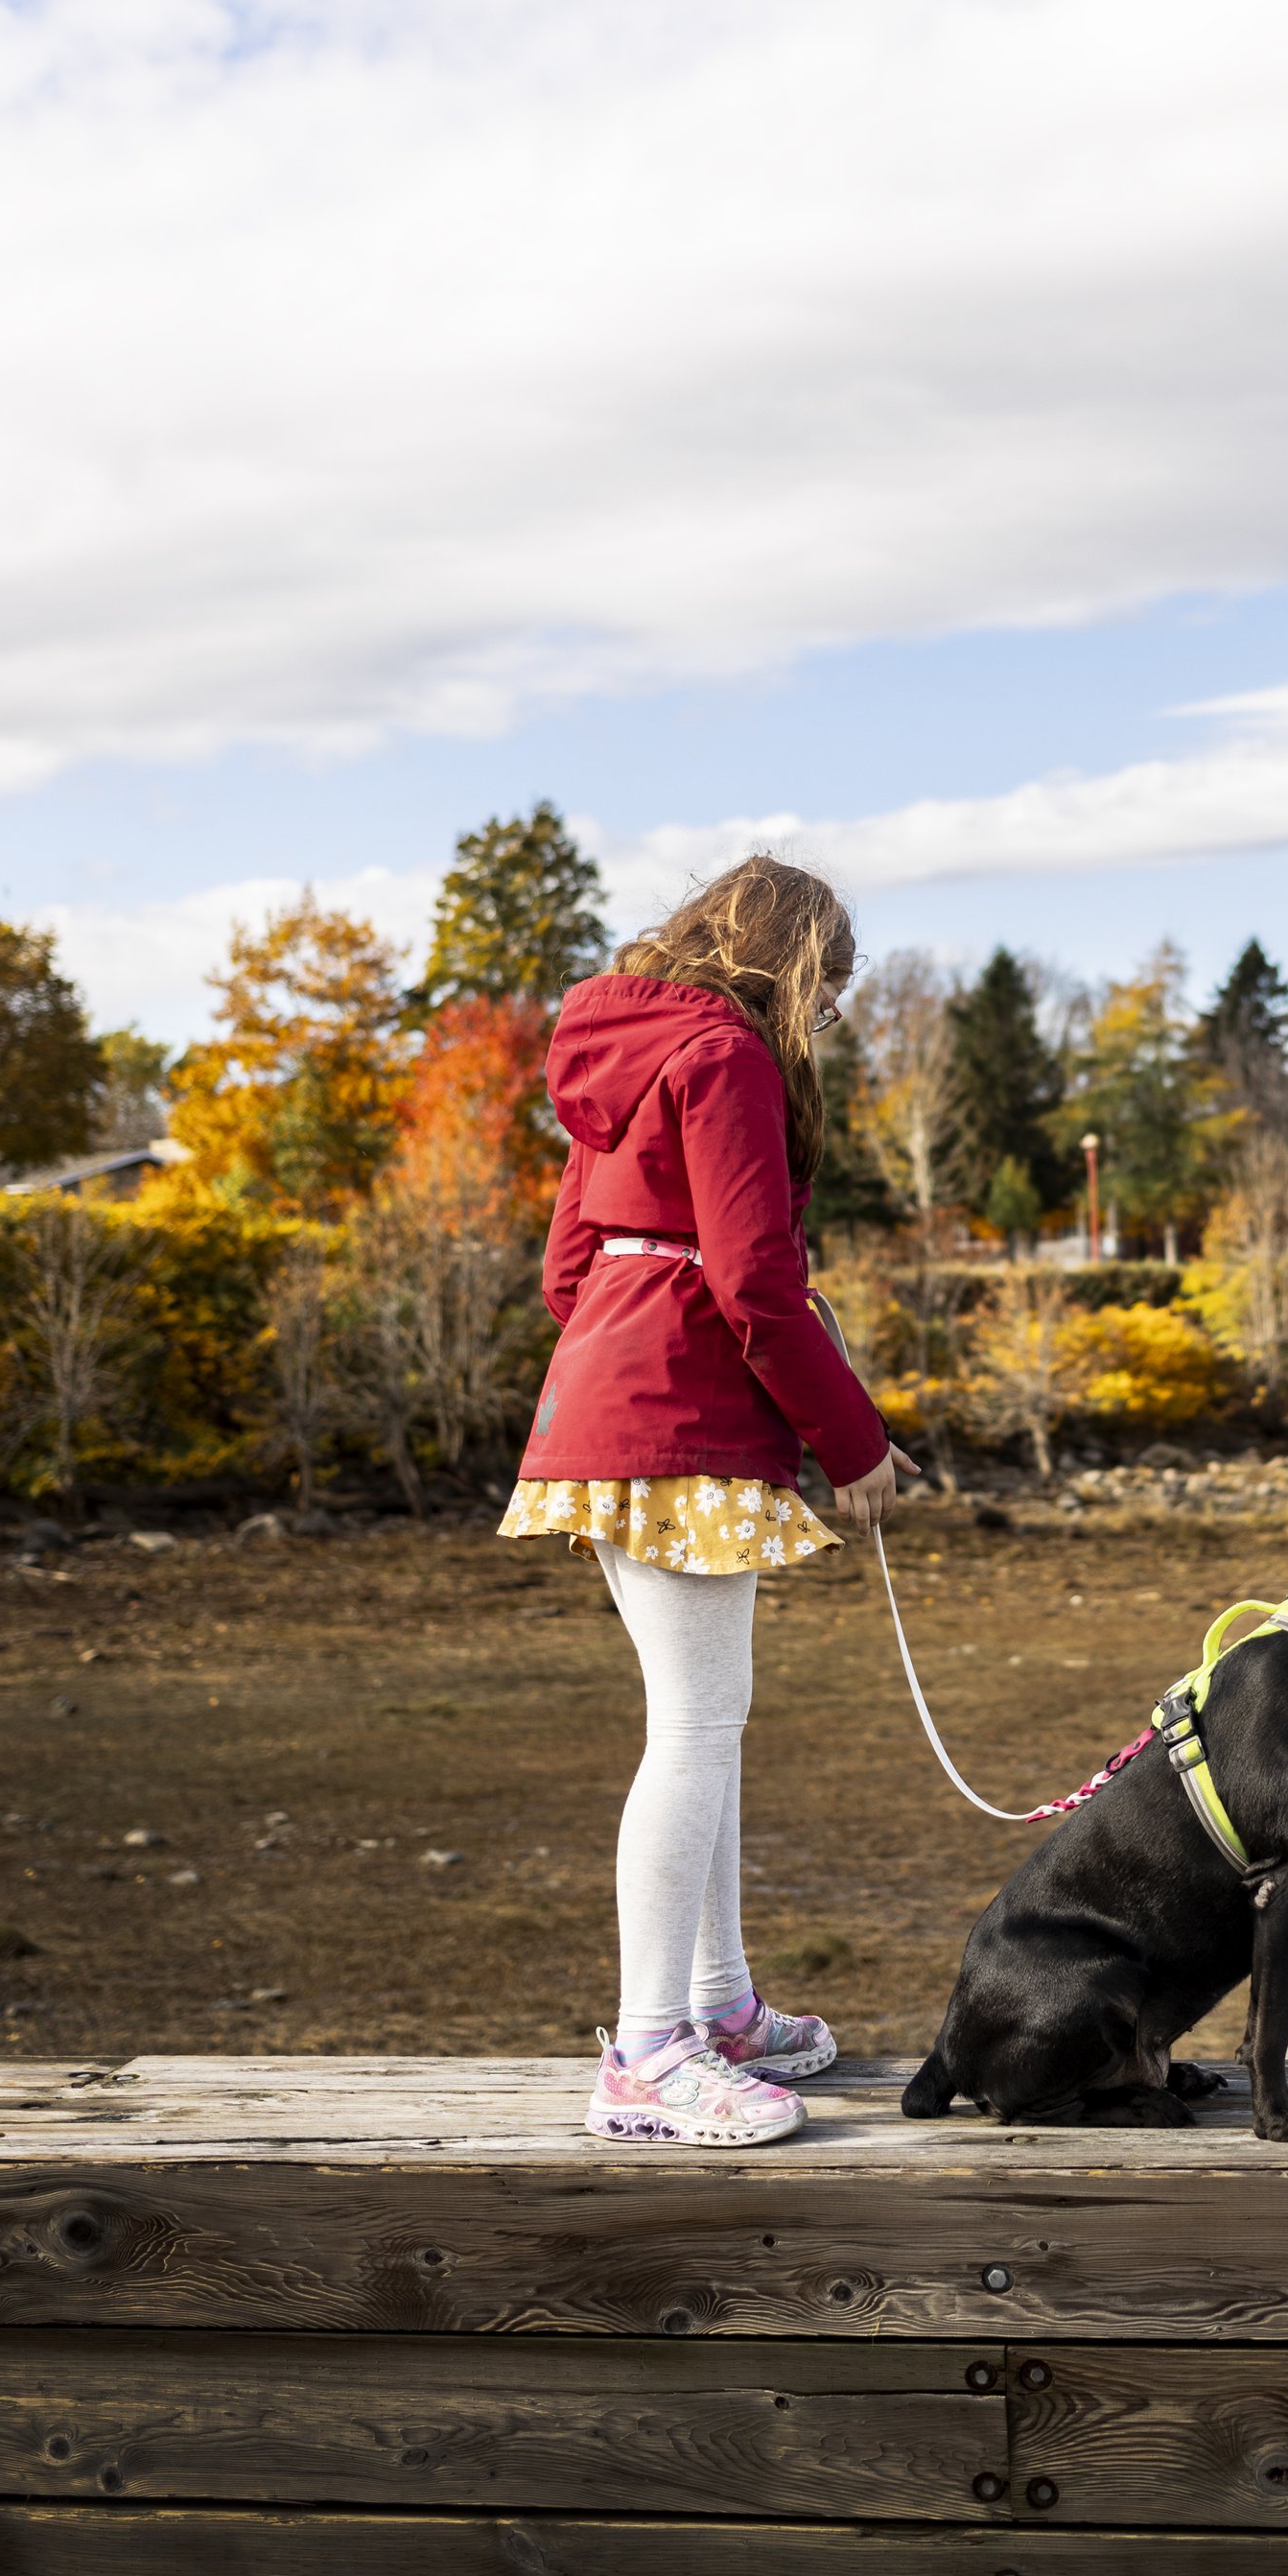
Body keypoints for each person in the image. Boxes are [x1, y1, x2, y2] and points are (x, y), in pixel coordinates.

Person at [500, 854, 922, 2145]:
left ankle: (719, 2004)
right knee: (693, 1729)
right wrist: (853, 1446)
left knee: (706, 1722)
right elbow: (753, 1285)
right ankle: (646, 2054)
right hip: (675, 1414)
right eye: (832, 987)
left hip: (606, 1408)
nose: (833, 1016)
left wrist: (638, 1342)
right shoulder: (729, 1055)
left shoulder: (629, 1052)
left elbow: (571, 1272)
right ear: (789, 964)